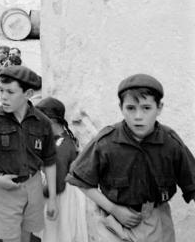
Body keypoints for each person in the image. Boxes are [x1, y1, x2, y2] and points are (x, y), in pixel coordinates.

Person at [66, 74, 195, 242]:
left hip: (156, 222)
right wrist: (113, 209)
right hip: (113, 222)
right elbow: (80, 180)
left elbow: (192, 184)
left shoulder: (170, 143)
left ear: (159, 108)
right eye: (131, 108)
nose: (138, 116)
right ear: (121, 107)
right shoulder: (106, 142)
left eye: (146, 108)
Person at [0, 65, 58, 242]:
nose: (3, 97)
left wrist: (52, 198)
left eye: (10, 92)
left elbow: (50, 160)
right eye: (1, 90)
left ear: (28, 94)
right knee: (8, 238)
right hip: (4, 188)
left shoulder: (42, 122)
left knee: (27, 234)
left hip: (33, 185)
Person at [33, 97, 87, 242]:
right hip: (60, 196)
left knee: (56, 236)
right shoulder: (62, 139)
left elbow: (57, 184)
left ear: (51, 120)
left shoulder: (59, 148)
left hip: (60, 200)